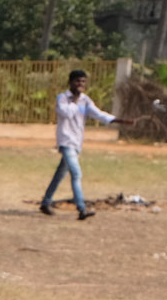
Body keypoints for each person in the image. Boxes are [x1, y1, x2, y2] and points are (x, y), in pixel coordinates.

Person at [41, 68, 125, 219]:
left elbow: (99, 114)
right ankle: (81, 208)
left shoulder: (85, 100)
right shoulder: (63, 98)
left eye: (83, 82)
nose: (80, 84)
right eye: (77, 81)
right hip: (66, 141)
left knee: (60, 174)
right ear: (70, 82)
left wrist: (118, 120)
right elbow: (65, 113)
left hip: (77, 142)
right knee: (76, 173)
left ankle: (45, 202)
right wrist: (73, 102)